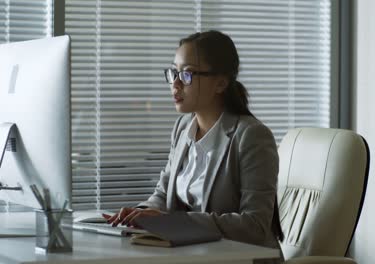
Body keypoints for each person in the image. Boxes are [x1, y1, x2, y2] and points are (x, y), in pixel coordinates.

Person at [105, 30, 283, 251]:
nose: (175, 84)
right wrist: (139, 214)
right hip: (193, 253)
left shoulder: (252, 136)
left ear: (220, 83)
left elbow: (255, 225)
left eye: (187, 74)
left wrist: (174, 222)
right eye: (174, 72)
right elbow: (162, 194)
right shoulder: (182, 128)